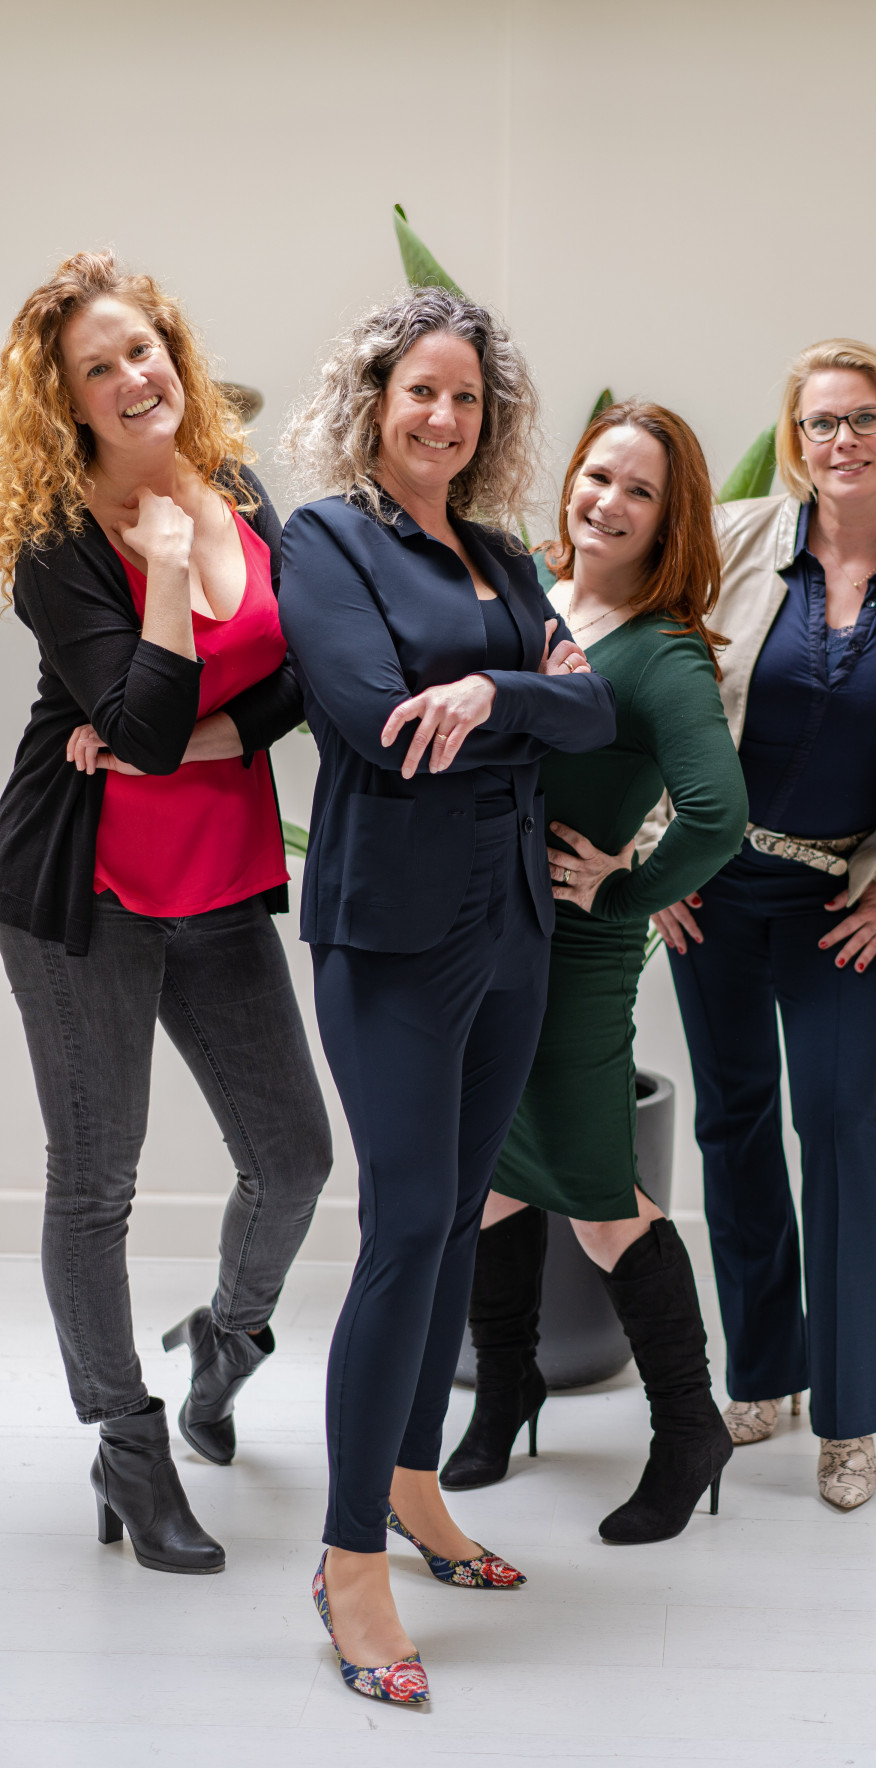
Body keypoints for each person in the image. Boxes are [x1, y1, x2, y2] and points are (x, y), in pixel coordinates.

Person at [279, 286, 615, 1706]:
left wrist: (490, 699)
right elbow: (374, 723)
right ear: (375, 399)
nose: (445, 415)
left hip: (515, 924)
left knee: (465, 1213)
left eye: (468, 396)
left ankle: (413, 1484)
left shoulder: (505, 555)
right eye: (422, 388)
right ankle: (348, 1558)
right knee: (408, 1223)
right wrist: (518, 692)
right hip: (394, 933)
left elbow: (591, 711)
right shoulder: (328, 540)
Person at [0, 252, 332, 1575]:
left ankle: (226, 1341)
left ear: (172, 351)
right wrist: (167, 576)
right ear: (67, 402)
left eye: (142, 348)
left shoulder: (234, 482)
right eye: (99, 368)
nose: (132, 377)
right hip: (81, 894)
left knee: (294, 1159)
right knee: (96, 1183)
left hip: (220, 872)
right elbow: (129, 725)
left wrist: (200, 745)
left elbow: (305, 669)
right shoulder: (53, 546)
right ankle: (128, 1446)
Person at [648, 340, 876, 1508]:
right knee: (732, 1122)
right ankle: (763, 1372)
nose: (842, 441)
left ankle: (847, 1417)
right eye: (819, 423)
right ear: (796, 441)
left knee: (841, 1126)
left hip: (842, 901)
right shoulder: (732, 540)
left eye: (863, 418)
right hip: (714, 884)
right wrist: (656, 847)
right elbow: (651, 689)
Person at [441, 400, 748, 1543]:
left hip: (575, 950)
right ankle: (507, 1384)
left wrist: (623, 889)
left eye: (639, 491)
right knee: (489, 1171)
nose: (607, 502)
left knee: (600, 1196)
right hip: (489, 929)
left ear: (672, 519)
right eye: (597, 475)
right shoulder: (530, 590)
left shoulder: (663, 651)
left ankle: (689, 1425)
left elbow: (718, 815)